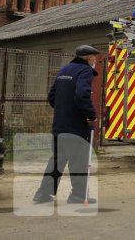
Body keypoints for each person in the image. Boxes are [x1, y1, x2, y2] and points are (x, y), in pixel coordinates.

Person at [33, 45, 99, 204]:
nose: (95, 60)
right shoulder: (85, 71)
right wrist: (90, 115)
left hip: (60, 125)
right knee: (80, 161)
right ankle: (78, 195)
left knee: (57, 161)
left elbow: (51, 97)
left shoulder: (64, 70)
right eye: (94, 57)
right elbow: (82, 95)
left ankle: (42, 194)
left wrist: (64, 109)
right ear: (88, 58)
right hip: (76, 127)